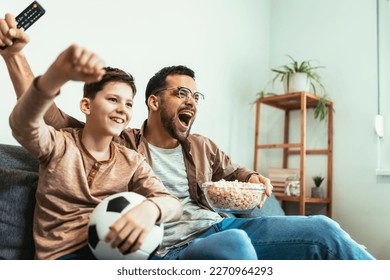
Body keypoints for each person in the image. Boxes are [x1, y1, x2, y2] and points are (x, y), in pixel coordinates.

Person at [1, 13, 375, 260]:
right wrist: (15, 57)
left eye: (196, 96)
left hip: (223, 222)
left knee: (325, 229)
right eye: (181, 93)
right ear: (152, 101)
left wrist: (253, 179)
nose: (192, 103)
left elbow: (236, 173)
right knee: (236, 248)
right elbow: (49, 120)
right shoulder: (123, 145)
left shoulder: (201, 146)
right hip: (178, 245)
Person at [8, 43, 182, 260]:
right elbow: (23, 124)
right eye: (113, 99)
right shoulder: (59, 145)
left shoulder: (132, 161)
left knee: (227, 245)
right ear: (86, 106)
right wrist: (55, 76)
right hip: (64, 257)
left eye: (129, 104)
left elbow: (173, 204)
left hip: (117, 254)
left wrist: (151, 208)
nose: (122, 109)